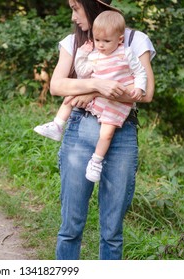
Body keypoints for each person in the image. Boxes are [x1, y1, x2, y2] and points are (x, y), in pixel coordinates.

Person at [51, 0, 156, 260]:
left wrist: (89, 89)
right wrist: (98, 86)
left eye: (76, 8)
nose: (73, 16)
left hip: (121, 133)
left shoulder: (135, 39)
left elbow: (147, 93)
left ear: (92, 4)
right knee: (70, 226)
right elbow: (56, 86)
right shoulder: (72, 42)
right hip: (79, 130)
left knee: (112, 231)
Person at [36, 10, 147, 183]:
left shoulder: (126, 53)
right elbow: (82, 72)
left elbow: (141, 73)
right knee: (70, 98)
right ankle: (57, 125)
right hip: (95, 100)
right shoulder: (95, 54)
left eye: (106, 41)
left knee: (106, 133)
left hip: (114, 104)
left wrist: (139, 87)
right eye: (97, 40)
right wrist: (82, 54)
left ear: (119, 40)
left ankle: (96, 161)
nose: (101, 45)